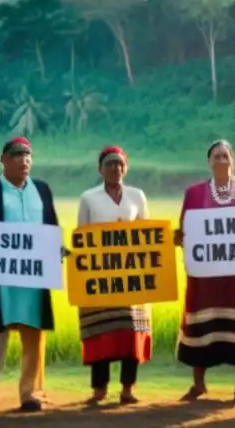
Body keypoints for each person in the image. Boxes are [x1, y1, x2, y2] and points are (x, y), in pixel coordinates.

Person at [0, 137, 59, 416]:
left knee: (34, 335)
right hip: (1, 275)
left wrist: (55, 254)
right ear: (3, 160)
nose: (24, 161)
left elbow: (51, 226)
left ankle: (30, 394)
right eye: (17, 155)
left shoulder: (42, 190)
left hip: (33, 276)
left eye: (28, 156)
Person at [176, 139, 235, 404]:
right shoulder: (194, 193)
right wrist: (178, 238)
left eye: (224, 155)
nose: (220, 160)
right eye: (215, 156)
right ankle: (198, 385)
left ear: (232, 159)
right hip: (204, 276)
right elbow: (185, 229)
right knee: (202, 327)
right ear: (209, 162)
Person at [76, 145, 152, 406]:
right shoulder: (89, 198)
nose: (115, 168)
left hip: (131, 276)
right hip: (100, 277)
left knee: (131, 331)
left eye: (119, 164)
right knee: (101, 332)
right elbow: (82, 237)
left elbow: (146, 235)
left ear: (125, 168)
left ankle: (128, 388)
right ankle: (99, 389)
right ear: (101, 169)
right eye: (110, 164)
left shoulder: (137, 196)